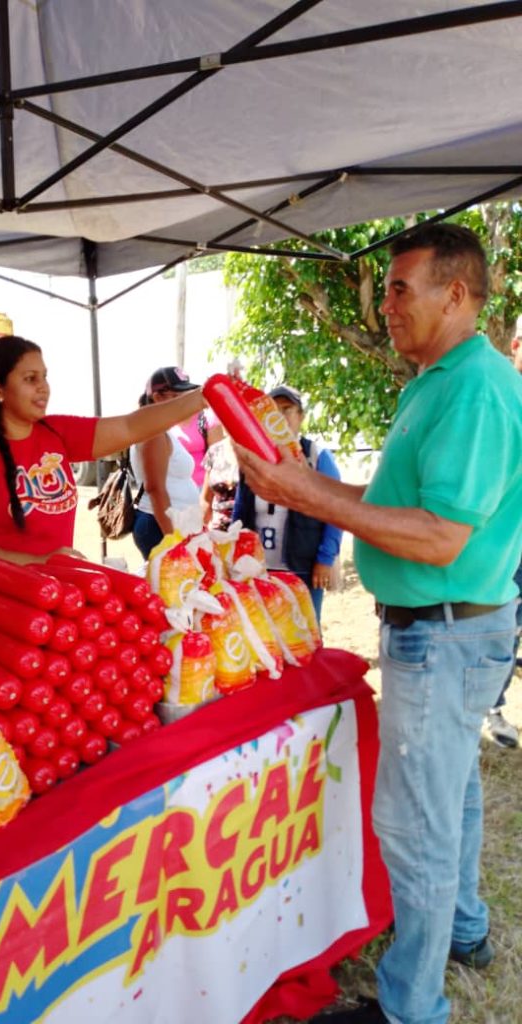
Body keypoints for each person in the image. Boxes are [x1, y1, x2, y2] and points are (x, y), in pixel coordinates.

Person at [233, 223, 522, 1024]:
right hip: (453, 627)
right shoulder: (436, 381)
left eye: (399, 289)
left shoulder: (474, 388)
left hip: (444, 630)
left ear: (455, 295)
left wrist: (307, 495)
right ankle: (462, 928)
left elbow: (438, 535)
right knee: (453, 790)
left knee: (414, 821)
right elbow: (394, 503)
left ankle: (410, 1007)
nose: (384, 306)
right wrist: (306, 486)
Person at [0, 338, 206, 582]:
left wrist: (202, 397)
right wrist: (40, 562)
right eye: (30, 379)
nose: (43, 387)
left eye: (44, 377)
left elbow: (129, 427)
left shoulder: (56, 432)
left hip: (53, 594)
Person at [232, 384, 342, 623]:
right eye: (273, 411)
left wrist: (325, 559)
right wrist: (235, 551)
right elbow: (240, 510)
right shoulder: (253, 456)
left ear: (300, 416)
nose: (280, 417)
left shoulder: (316, 456)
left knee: (306, 630)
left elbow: (336, 512)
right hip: (258, 568)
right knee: (264, 631)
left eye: (287, 410)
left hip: (302, 565)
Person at [483, 313, 522, 747]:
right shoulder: (496, 397)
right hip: (500, 546)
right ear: (516, 345)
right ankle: (489, 708)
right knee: (500, 628)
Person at [131, 370, 203, 559]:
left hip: (165, 524)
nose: (185, 404)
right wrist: (173, 541)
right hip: (159, 526)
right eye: (179, 397)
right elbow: (155, 488)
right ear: (158, 397)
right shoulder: (154, 433)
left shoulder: (160, 429)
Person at [148, 367, 223, 488]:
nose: (182, 399)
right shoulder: (153, 427)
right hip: (169, 492)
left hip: (202, 489)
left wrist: (205, 496)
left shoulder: (207, 418)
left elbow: (218, 462)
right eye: (175, 396)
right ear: (157, 398)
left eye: (185, 392)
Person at [200, 431, 239, 531]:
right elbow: (206, 499)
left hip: (248, 528)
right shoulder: (214, 451)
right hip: (218, 530)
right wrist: (203, 530)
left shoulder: (259, 451)